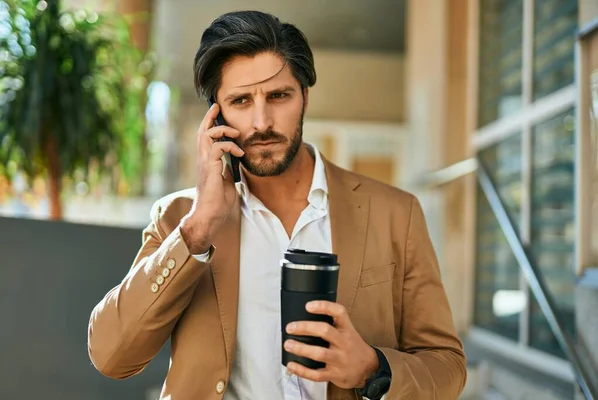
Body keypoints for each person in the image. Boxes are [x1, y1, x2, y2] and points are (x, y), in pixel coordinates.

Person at [87, 10, 466, 400]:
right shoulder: (180, 220)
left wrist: (373, 368)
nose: (261, 121)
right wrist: (198, 228)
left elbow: (448, 366)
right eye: (240, 101)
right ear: (215, 116)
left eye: (278, 95)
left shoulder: (394, 214)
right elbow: (111, 356)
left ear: (305, 96)